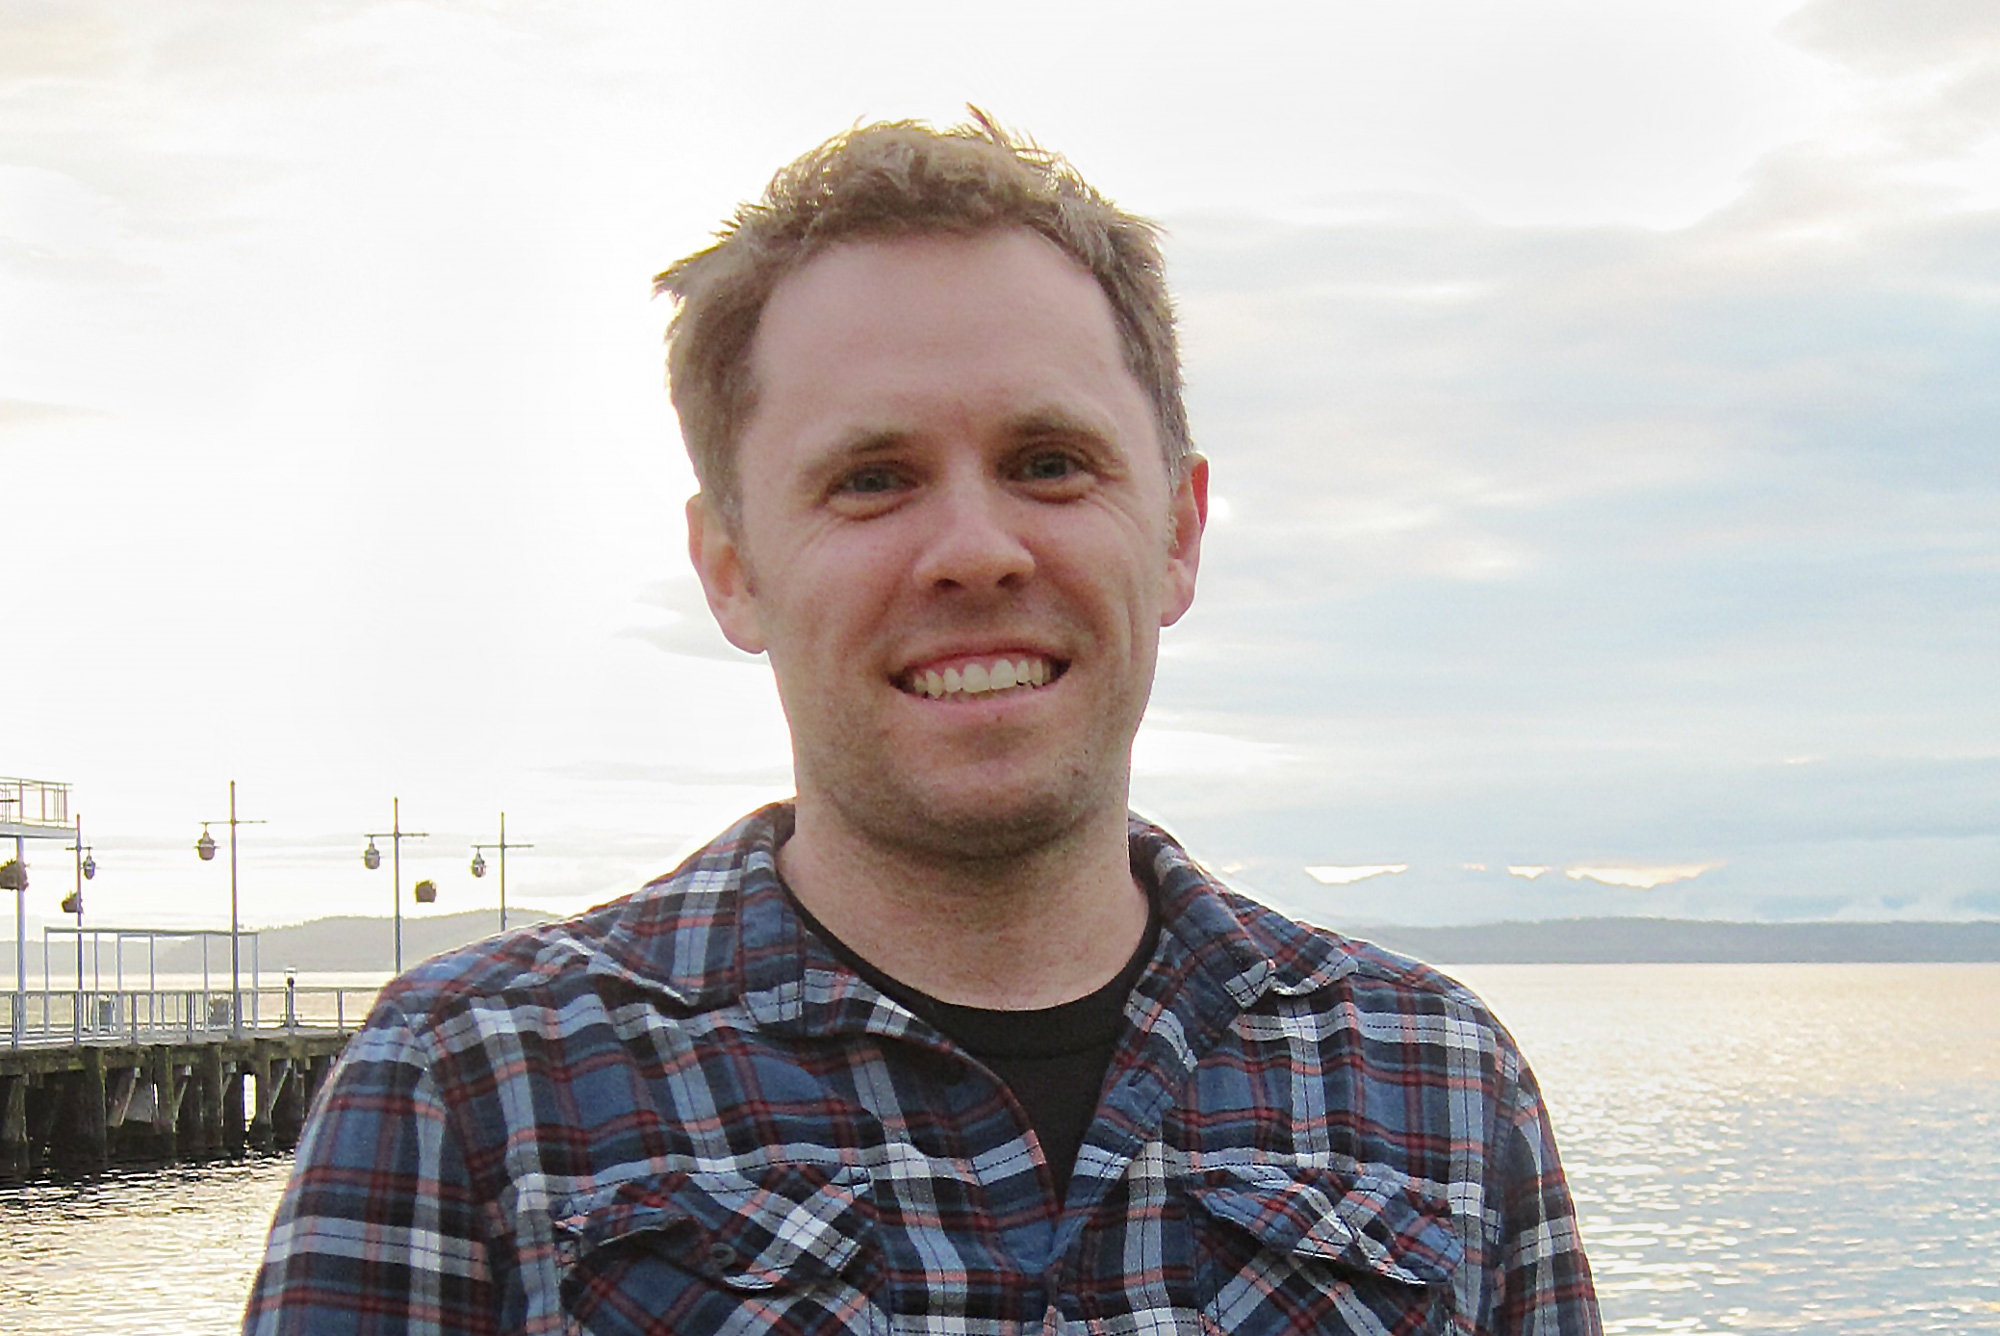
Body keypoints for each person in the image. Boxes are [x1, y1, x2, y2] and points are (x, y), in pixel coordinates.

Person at [244, 112, 1600, 1336]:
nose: (975, 549)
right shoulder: (476, 1086)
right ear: (732, 567)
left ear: (1179, 533)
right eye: (873, 478)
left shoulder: (1432, 1080)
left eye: (1049, 464)